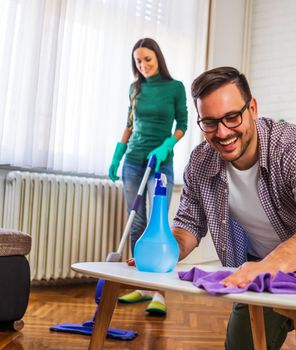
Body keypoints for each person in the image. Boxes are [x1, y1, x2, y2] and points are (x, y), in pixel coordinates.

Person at [171, 66, 296, 350]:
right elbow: (188, 225)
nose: (223, 132)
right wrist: (164, 250)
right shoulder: (201, 161)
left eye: (232, 117)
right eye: (210, 123)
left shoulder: (292, 144)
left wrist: (268, 268)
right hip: (259, 265)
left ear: (252, 108)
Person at [108, 37, 188, 316]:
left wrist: (167, 144)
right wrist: (118, 154)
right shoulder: (135, 88)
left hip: (161, 161)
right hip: (134, 161)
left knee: (158, 222)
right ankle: (140, 285)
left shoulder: (175, 88)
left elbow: (184, 123)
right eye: (138, 61)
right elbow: (129, 124)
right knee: (136, 220)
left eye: (147, 60)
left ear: (158, 59)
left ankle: (160, 292)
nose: (142, 65)